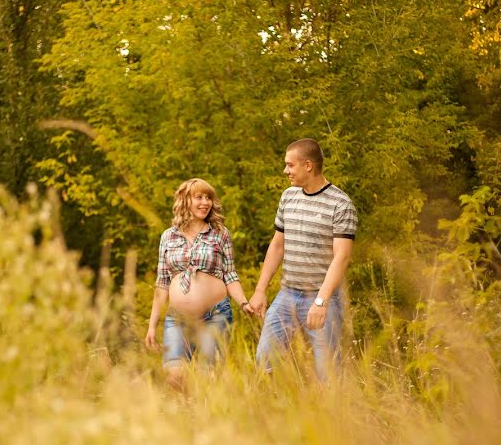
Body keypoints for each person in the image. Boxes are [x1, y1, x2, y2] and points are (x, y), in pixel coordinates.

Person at [249, 139, 357, 381]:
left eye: (290, 165)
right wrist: (260, 289)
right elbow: (277, 245)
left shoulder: (340, 204)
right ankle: (275, 413)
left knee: (327, 373)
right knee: (265, 361)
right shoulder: (288, 197)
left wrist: (321, 301)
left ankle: (330, 417)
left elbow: (342, 257)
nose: (285, 171)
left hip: (322, 298)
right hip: (287, 295)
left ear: (308, 165)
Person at [145, 178, 253, 376]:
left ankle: (202, 406)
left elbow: (229, 274)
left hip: (216, 314)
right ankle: (193, 402)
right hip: (178, 318)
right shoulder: (168, 236)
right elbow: (162, 283)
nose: (205, 202)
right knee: (174, 375)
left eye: (209, 198)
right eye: (199, 197)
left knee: (208, 376)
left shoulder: (220, 233)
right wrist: (152, 325)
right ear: (185, 201)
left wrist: (243, 303)